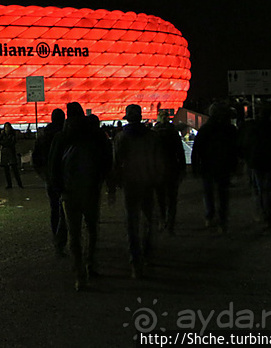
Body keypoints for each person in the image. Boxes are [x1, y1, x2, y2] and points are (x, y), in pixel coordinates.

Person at [49, 104, 111, 290]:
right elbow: (107, 158)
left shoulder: (62, 137)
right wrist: (102, 181)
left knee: (74, 234)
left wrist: (59, 189)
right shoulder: (94, 135)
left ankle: (79, 276)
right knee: (92, 230)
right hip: (91, 189)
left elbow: (53, 166)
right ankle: (91, 263)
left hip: (69, 192)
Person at [110, 104, 163, 279]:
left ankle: (135, 261)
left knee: (131, 222)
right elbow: (158, 160)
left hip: (130, 184)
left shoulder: (121, 137)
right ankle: (147, 252)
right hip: (148, 182)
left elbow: (116, 163)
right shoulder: (152, 137)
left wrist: (115, 184)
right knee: (149, 220)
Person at [191, 102, 239, 233]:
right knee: (223, 194)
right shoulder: (230, 129)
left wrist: (195, 167)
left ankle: (210, 216)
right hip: (224, 165)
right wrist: (235, 166)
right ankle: (222, 220)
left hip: (207, 166)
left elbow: (197, 149)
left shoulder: (205, 129)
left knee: (209, 193)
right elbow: (235, 149)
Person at [244, 105, 271, 230]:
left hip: (256, 161)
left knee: (259, 189)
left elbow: (247, 144)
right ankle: (270, 214)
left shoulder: (253, 127)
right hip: (270, 161)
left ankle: (262, 212)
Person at [153, 110, 187, 235]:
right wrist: (182, 168)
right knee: (172, 199)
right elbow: (180, 152)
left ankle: (162, 220)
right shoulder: (173, 133)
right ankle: (170, 224)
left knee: (160, 197)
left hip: (158, 169)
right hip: (172, 168)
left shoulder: (154, 134)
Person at [39, 109, 66, 252]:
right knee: (66, 208)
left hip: (50, 177)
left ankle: (57, 236)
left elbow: (36, 158)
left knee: (55, 208)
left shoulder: (45, 135)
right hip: (65, 176)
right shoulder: (66, 134)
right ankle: (63, 238)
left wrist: (44, 174)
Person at [0, 122, 23, 189]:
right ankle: (10, 184)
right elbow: (0, 141)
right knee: (7, 170)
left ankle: (19, 184)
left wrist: (6, 143)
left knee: (14, 169)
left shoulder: (11, 134)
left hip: (11, 153)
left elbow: (12, 142)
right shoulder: (3, 134)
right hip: (6, 153)